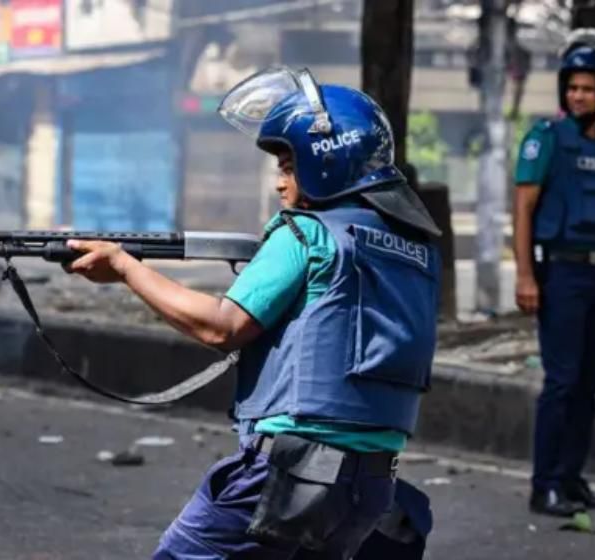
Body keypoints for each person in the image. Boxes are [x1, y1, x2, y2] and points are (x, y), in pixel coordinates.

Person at [65, 67, 442, 558]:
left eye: (288, 166)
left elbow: (220, 326)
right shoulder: (413, 250)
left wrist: (124, 267)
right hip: (371, 487)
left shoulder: (306, 232)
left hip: (289, 475)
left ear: (325, 162)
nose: (280, 182)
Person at [512, 31, 595, 517]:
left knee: (589, 385)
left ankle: (571, 479)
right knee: (562, 382)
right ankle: (544, 485)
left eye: (588, 88)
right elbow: (523, 209)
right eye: (572, 88)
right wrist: (525, 276)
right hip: (561, 275)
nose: (578, 96)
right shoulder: (546, 139)